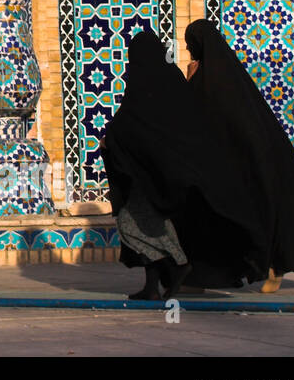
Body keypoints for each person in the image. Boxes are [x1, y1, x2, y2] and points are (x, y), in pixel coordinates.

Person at [103, 30, 270, 299]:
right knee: (152, 224)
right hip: (165, 176)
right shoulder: (172, 80)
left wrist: (111, 139)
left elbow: (130, 125)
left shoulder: (142, 82)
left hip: (149, 175)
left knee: (131, 224)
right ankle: (152, 286)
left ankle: (177, 265)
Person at [184, 19, 294, 292]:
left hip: (242, 167)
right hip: (242, 165)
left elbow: (194, 117)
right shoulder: (233, 79)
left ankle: (271, 266)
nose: (188, 51)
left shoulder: (209, 81)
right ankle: (241, 269)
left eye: (190, 46)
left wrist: (190, 81)